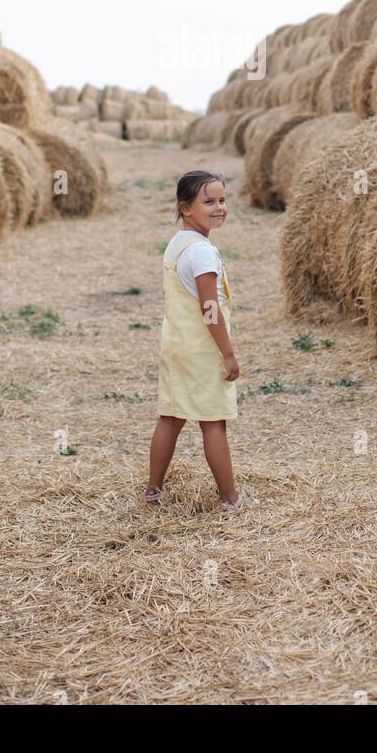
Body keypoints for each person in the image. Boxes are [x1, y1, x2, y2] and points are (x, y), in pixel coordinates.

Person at [143, 169, 253, 510]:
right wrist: (228, 353)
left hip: (177, 345)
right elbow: (209, 307)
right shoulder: (202, 252)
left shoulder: (179, 243)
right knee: (214, 423)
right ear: (186, 208)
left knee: (171, 417)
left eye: (222, 200)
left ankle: (152, 491)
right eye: (209, 202)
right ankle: (230, 499)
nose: (219, 207)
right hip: (202, 351)